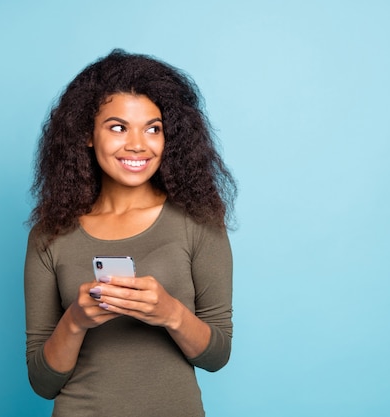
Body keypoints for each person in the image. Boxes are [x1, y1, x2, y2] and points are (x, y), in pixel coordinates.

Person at [24, 49, 237, 417]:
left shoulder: (198, 221)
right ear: (87, 135)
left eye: (153, 128)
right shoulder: (50, 234)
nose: (138, 144)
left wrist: (169, 312)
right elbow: (43, 383)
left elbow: (217, 356)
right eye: (118, 127)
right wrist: (76, 319)